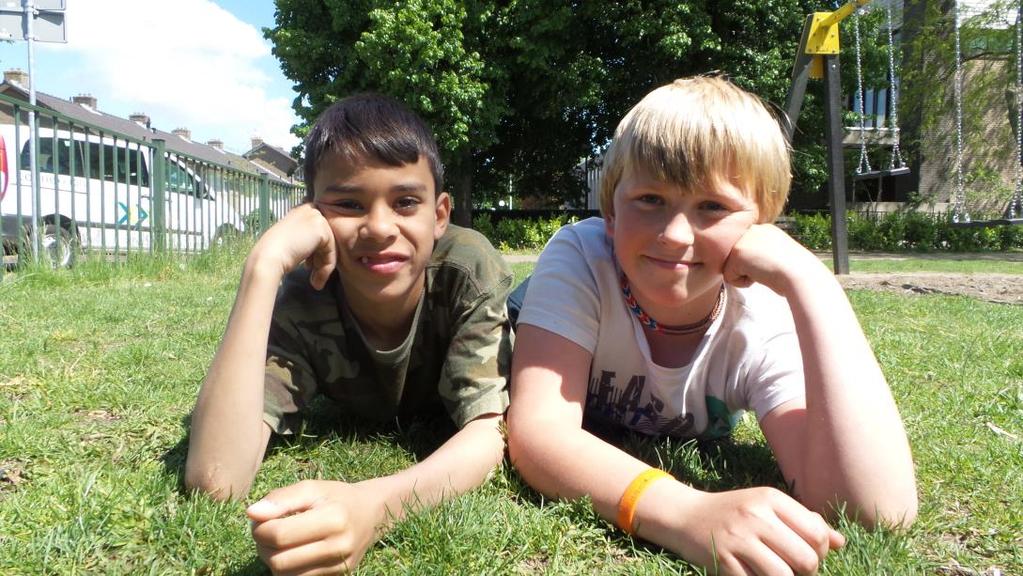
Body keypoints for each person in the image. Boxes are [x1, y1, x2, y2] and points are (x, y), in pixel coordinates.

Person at [506, 76, 917, 575]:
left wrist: (815, 285)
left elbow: (874, 510)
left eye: (713, 207)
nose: (675, 236)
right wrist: (688, 512)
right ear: (611, 213)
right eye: (650, 200)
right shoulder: (581, 258)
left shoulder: (761, 318)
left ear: (760, 226)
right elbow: (539, 433)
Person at [184, 93, 514, 574]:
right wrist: (264, 266)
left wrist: (374, 506)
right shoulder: (304, 294)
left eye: (405, 202)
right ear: (311, 215)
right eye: (348, 203)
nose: (380, 227)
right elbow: (215, 480)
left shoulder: (468, 270)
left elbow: (489, 434)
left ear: (440, 214)